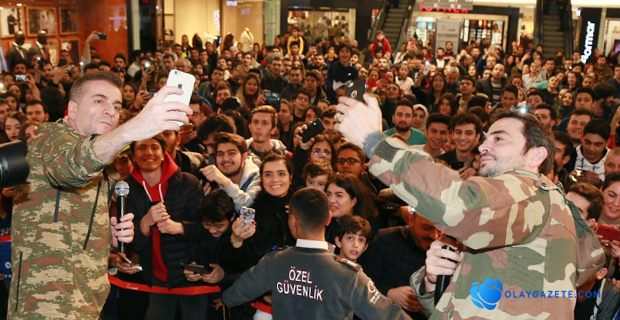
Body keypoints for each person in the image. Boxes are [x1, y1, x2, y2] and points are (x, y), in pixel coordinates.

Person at [335, 94, 604, 318]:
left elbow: (460, 204)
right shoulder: (512, 213)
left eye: (499, 139)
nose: (484, 146)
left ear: (535, 156)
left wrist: (375, 143)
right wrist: (430, 280)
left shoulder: (530, 192)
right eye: (486, 138)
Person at [7, 70, 192, 318]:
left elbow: (71, 219)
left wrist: (110, 236)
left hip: (87, 301)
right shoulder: (47, 139)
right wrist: (134, 128)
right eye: (98, 100)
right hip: (44, 305)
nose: (110, 111)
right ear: (72, 110)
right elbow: (70, 168)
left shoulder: (104, 163)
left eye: (116, 105)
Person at [222, 188, 411, 320]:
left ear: (293, 220)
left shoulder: (274, 262)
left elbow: (232, 296)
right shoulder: (348, 275)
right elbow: (389, 316)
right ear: (328, 218)